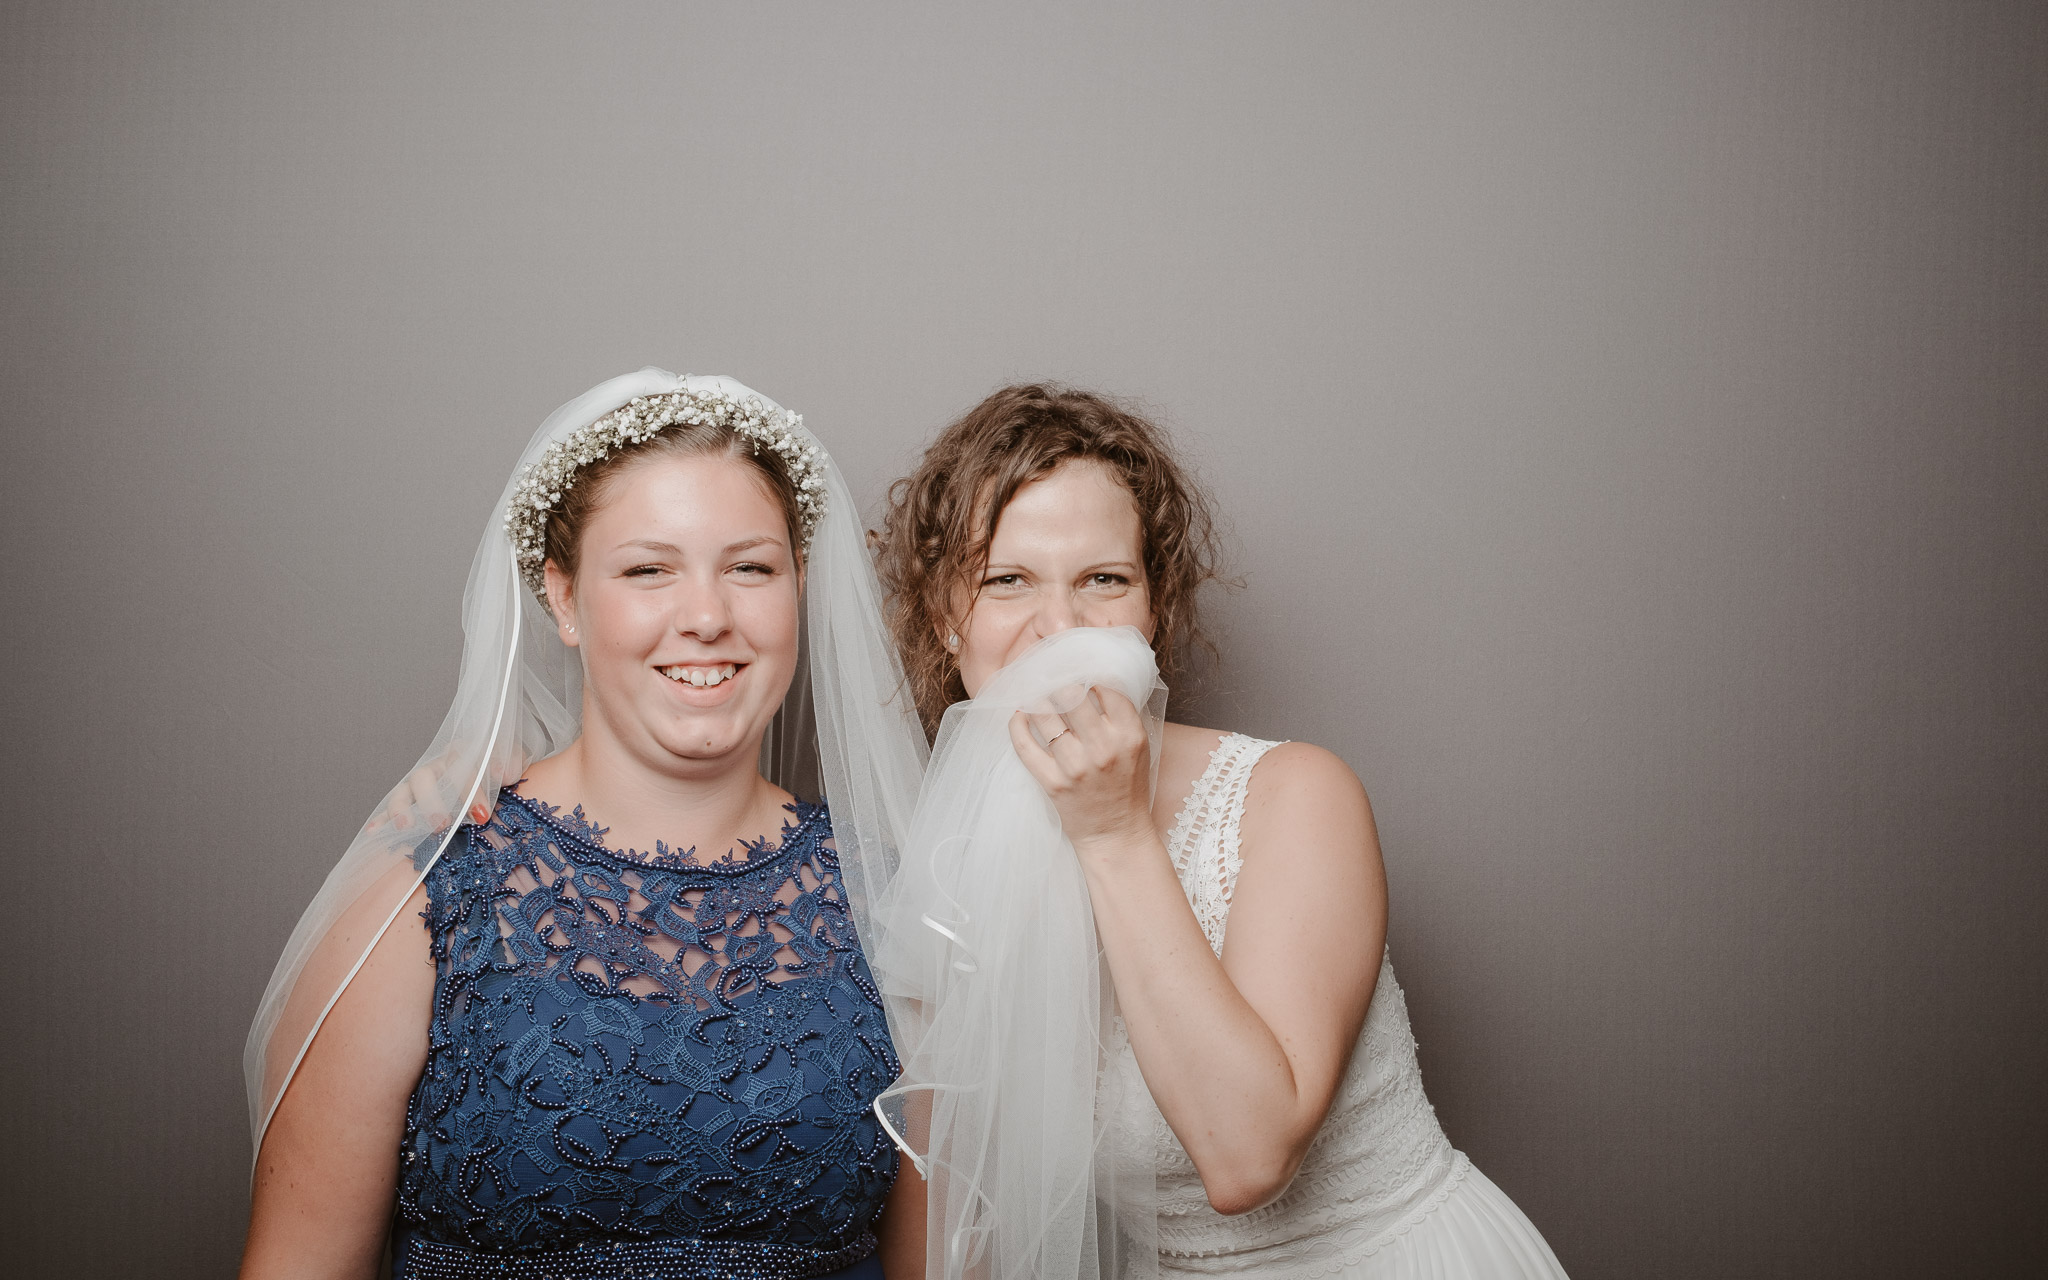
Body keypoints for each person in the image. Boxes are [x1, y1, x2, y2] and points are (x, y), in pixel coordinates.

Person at [240, 371, 929, 1280]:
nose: (707, 616)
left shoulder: (898, 908)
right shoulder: (422, 905)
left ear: (800, 588)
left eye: (750, 567)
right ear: (563, 601)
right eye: (649, 570)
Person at [869, 385, 1569, 1279]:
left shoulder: (1296, 796)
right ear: (945, 619)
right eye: (1007, 581)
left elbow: (1247, 1159)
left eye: (1104, 581)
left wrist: (1113, 832)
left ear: (1153, 609)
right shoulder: (945, 868)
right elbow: (952, 1204)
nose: (1060, 629)